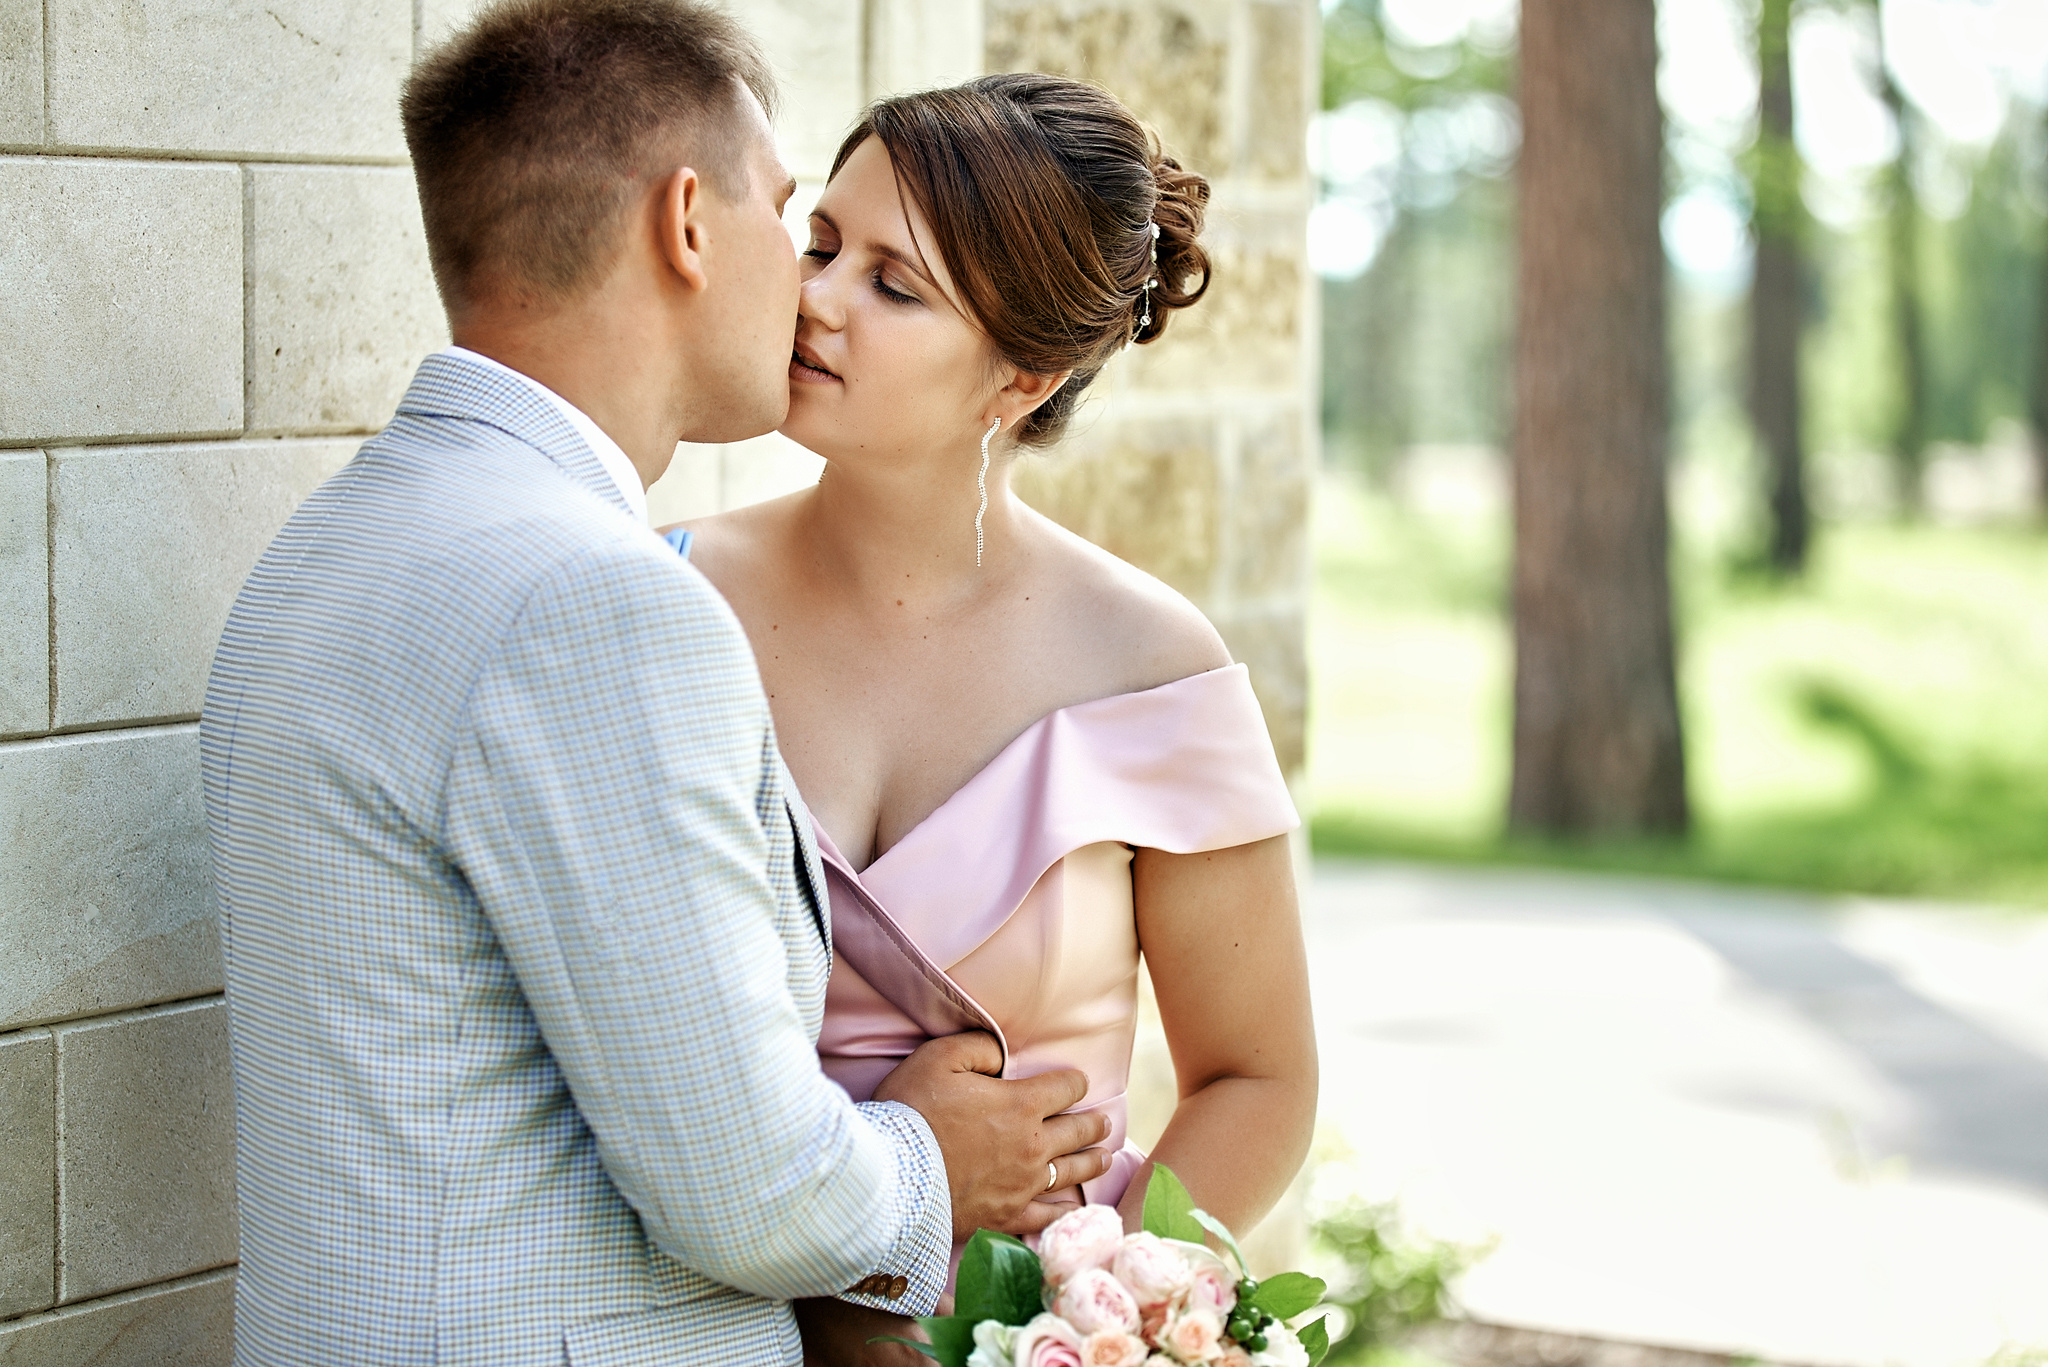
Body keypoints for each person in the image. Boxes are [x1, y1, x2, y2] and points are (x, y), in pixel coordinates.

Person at [198, 5, 1113, 1364]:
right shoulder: (598, 604)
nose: (807, 289)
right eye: (795, 222)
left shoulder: (322, 548)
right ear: (688, 223)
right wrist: (931, 1162)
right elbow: (749, 1190)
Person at [678, 74, 1320, 1362]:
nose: (815, 298)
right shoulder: (663, 600)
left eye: (893, 285)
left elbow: (1261, 1077)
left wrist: (1098, 1313)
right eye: (821, 246)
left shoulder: (1149, 668)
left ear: (1020, 379)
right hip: (708, 1323)